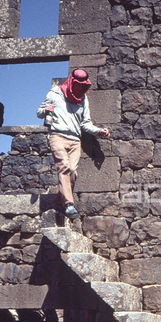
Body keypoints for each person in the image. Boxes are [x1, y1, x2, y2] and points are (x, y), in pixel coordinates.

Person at [37, 68, 110, 217]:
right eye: (77, 84)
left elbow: (85, 123)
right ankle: (69, 204)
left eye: (83, 85)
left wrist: (99, 131)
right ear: (71, 81)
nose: (79, 88)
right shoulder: (54, 93)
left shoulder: (83, 99)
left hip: (75, 140)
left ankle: (58, 203)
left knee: (72, 173)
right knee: (63, 167)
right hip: (57, 136)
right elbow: (39, 112)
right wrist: (46, 110)